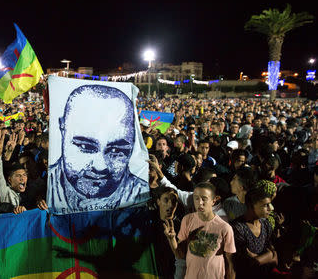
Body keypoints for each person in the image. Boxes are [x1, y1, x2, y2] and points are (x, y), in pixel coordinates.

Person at [47, 85, 149, 214]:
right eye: (85, 147)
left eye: (115, 151)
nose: (100, 166)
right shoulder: (42, 188)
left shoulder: (143, 196)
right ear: (62, 129)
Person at [164, 182, 236, 279]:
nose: (200, 203)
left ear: (213, 201)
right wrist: (171, 239)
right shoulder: (187, 220)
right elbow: (180, 255)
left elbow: (230, 265)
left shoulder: (224, 228)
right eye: (196, 198)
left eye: (204, 199)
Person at [231, 187, 278, 278]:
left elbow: (275, 259)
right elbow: (249, 263)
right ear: (251, 206)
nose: (271, 208)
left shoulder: (266, 225)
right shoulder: (238, 228)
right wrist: (269, 256)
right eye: (265, 205)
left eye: (270, 204)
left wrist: (263, 257)